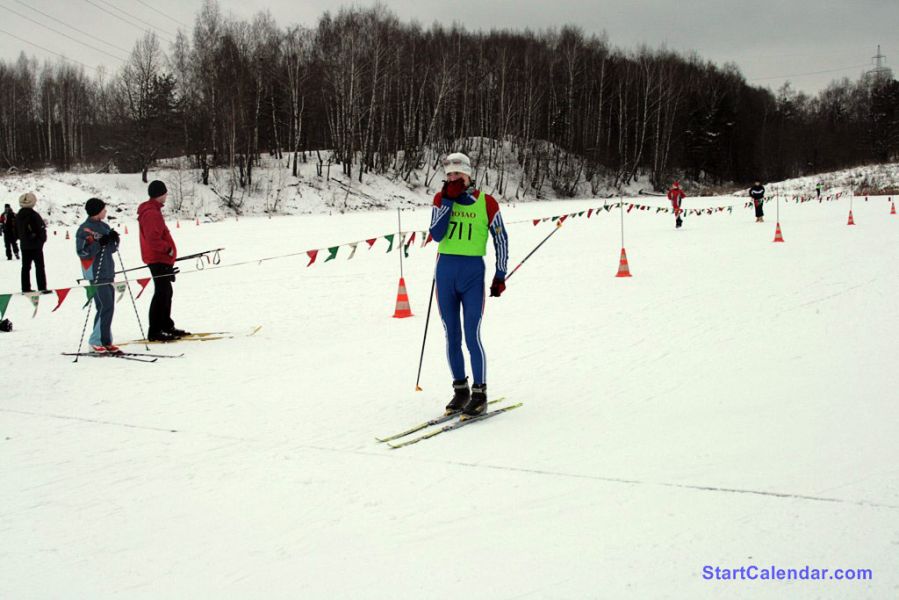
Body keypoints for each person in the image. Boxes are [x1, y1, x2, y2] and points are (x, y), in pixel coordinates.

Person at [429, 152, 508, 417]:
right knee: (451, 335)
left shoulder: (487, 202)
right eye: (449, 174)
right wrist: (448, 202)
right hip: (445, 274)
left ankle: (480, 393)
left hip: (472, 275)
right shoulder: (441, 199)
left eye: (458, 174)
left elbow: (501, 239)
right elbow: (436, 234)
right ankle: (460, 390)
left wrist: (500, 274)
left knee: (472, 335)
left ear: (468, 175)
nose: (453, 178)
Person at [137, 180, 189, 342]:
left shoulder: (154, 210)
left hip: (161, 258)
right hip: (157, 258)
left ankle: (166, 325)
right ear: (160, 194)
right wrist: (167, 249)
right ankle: (155, 330)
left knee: (166, 292)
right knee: (161, 293)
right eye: (165, 193)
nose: (166, 195)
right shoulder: (151, 213)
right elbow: (153, 239)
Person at [76, 198, 121, 353]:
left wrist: (114, 239)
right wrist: (98, 244)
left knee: (109, 306)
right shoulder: (84, 230)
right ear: (97, 211)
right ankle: (95, 341)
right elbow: (82, 252)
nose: (105, 211)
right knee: (104, 306)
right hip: (95, 272)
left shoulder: (104, 226)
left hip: (108, 271)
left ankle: (105, 340)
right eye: (103, 209)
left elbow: (112, 249)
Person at [16, 192, 49, 293]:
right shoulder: (34, 215)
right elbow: (41, 228)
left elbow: (15, 231)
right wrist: (41, 240)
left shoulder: (18, 215)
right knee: (39, 267)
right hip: (36, 245)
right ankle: (42, 287)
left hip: (24, 245)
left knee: (25, 267)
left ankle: (25, 288)